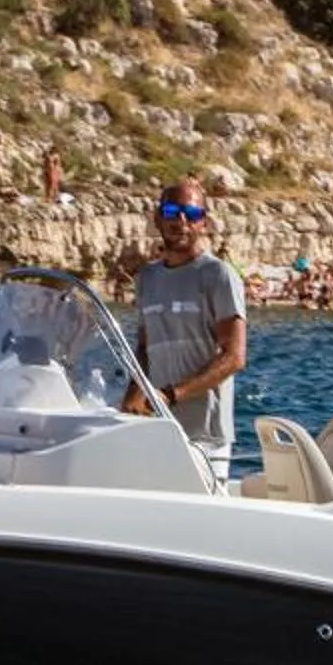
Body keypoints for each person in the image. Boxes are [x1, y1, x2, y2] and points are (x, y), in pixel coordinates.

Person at [119, 178, 247, 468]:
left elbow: (234, 357)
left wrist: (171, 395)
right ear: (157, 218)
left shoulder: (219, 275)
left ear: (204, 223)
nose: (181, 221)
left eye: (191, 214)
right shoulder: (147, 278)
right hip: (158, 429)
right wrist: (132, 396)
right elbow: (145, 349)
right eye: (171, 212)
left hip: (204, 436)